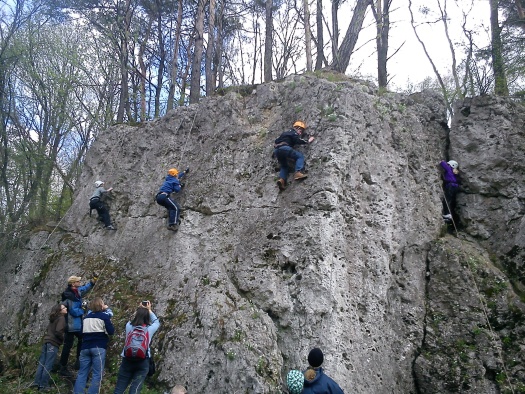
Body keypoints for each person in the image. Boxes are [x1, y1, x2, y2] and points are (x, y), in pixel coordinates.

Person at [113, 301, 161, 394]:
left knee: (119, 389)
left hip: (127, 360)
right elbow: (156, 322)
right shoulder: (149, 329)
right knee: (135, 390)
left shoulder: (129, 326)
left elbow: (131, 318)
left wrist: (139, 309)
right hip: (143, 361)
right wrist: (149, 310)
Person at [73, 297, 115, 394]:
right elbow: (111, 331)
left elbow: (81, 332)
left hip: (85, 347)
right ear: (101, 305)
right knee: (97, 374)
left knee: (82, 373)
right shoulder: (104, 316)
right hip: (98, 346)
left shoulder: (86, 318)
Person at [59, 275, 97, 377]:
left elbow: (84, 289)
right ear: (73, 283)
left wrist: (92, 282)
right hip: (71, 325)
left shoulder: (76, 292)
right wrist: (83, 309)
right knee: (68, 346)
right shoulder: (69, 296)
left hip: (77, 324)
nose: (79, 282)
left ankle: (77, 362)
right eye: (78, 281)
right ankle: (63, 366)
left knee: (80, 340)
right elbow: (74, 311)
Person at [32, 303, 68, 392]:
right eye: (64, 308)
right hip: (53, 343)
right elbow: (58, 331)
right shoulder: (61, 318)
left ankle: (36, 383)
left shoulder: (53, 319)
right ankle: (43, 386)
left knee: (42, 363)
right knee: (48, 364)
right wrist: (63, 339)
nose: (66, 308)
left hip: (46, 342)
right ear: (60, 311)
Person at [273, 121, 314, 191]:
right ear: (297, 128)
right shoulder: (293, 133)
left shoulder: (284, 133)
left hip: (277, 151)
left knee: (284, 166)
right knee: (300, 156)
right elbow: (297, 140)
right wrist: (308, 141)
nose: (300, 133)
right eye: (300, 130)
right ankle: (298, 172)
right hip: (285, 148)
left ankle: (282, 180)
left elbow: (276, 141)